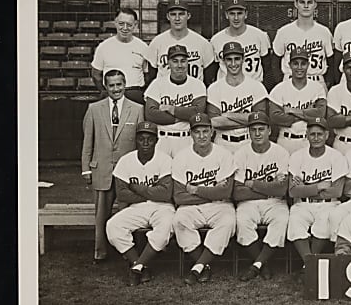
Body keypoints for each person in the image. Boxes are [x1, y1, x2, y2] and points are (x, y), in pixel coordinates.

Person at [80, 69, 144, 262]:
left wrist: (140, 170)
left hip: (127, 173)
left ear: (125, 85)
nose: (116, 89)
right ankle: (100, 251)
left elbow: (140, 143)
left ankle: (127, 251)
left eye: (119, 84)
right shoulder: (94, 109)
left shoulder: (137, 109)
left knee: (128, 213)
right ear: (105, 87)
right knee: (101, 214)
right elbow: (88, 141)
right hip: (102, 169)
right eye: (112, 85)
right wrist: (86, 168)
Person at [105, 122, 175, 286]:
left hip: (162, 207)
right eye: (141, 139)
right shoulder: (126, 161)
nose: (145, 143)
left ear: (156, 141)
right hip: (136, 207)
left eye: (150, 139)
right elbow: (122, 194)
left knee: (165, 229)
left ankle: (137, 267)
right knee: (113, 226)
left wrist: (136, 188)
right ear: (136, 140)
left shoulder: (165, 159)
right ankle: (140, 265)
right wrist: (151, 193)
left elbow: (165, 194)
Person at [171, 113, 237, 285]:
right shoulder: (181, 157)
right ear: (191, 134)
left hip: (220, 206)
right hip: (192, 207)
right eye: (197, 132)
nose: (201, 136)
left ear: (212, 132)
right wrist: (213, 192)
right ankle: (204, 265)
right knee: (179, 221)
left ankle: (197, 267)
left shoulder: (224, 154)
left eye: (205, 131)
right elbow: (179, 196)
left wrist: (196, 190)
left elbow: (226, 193)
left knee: (228, 222)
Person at [232, 111, 290, 282]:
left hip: (275, 202)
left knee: (281, 220)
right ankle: (263, 264)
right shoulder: (241, 154)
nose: (257, 133)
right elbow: (237, 192)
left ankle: (256, 265)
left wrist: (252, 184)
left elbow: (282, 190)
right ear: (248, 132)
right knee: (242, 221)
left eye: (261, 129)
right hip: (248, 202)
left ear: (269, 131)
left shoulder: (281, 152)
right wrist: (269, 189)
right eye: (253, 129)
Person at [286, 118, 348, 270]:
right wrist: (318, 187)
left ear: (327, 135)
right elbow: (292, 191)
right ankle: (311, 265)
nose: (316, 138)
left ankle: (308, 266)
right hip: (302, 204)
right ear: (306, 135)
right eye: (312, 134)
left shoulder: (336, 156)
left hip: (329, 204)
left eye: (319, 134)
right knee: (295, 222)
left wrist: (305, 188)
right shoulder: (297, 156)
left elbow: (337, 191)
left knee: (324, 223)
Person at [142, 45, 208, 157]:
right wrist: (181, 116)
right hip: (163, 139)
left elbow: (198, 112)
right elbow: (150, 114)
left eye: (183, 61)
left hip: (187, 138)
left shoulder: (197, 84)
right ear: (168, 63)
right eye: (175, 61)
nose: (179, 65)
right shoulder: (157, 84)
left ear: (188, 62)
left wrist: (171, 109)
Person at [206, 41, 270, 152]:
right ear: (223, 61)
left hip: (249, 142)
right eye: (229, 59)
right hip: (223, 142)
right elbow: (215, 122)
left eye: (237, 59)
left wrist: (228, 115)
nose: (233, 63)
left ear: (243, 59)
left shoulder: (256, 86)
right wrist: (247, 118)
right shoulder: (214, 88)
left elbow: (260, 119)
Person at [268, 48, 328, 154]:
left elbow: (320, 114)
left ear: (308, 65)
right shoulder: (279, 88)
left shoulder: (317, 87)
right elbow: (275, 117)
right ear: (290, 65)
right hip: (286, 141)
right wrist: (307, 114)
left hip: (308, 141)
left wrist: (292, 111)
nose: (299, 67)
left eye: (303, 64)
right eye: (295, 63)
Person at [272, 0, 334, 88]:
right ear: (295, 4)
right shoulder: (284, 31)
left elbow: (331, 63)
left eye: (309, 2)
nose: (306, 6)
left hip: (317, 81)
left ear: (315, 5)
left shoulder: (324, 32)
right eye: (302, 2)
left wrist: (327, 83)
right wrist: (281, 84)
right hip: (290, 82)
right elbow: (275, 62)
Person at [144, 1, 216, 85]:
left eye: (181, 14)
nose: (177, 18)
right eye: (173, 14)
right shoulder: (157, 42)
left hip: (193, 89)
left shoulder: (202, 43)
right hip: (165, 90)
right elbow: (151, 76)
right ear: (168, 16)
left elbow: (209, 77)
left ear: (188, 16)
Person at [90, 8, 149, 103]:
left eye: (129, 25)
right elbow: (96, 74)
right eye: (121, 24)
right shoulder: (104, 47)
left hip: (135, 94)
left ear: (135, 25)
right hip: (112, 94)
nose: (125, 28)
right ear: (115, 23)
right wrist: (105, 92)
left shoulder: (143, 47)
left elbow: (148, 75)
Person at [209, 0, 272, 84]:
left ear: (246, 14)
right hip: (226, 88)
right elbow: (212, 70)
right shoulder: (216, 40)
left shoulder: (259, 35)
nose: (236, 18)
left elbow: (268, 67)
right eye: (232, 14)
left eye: (239, 13)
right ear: (226, 15)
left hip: (254, 86)